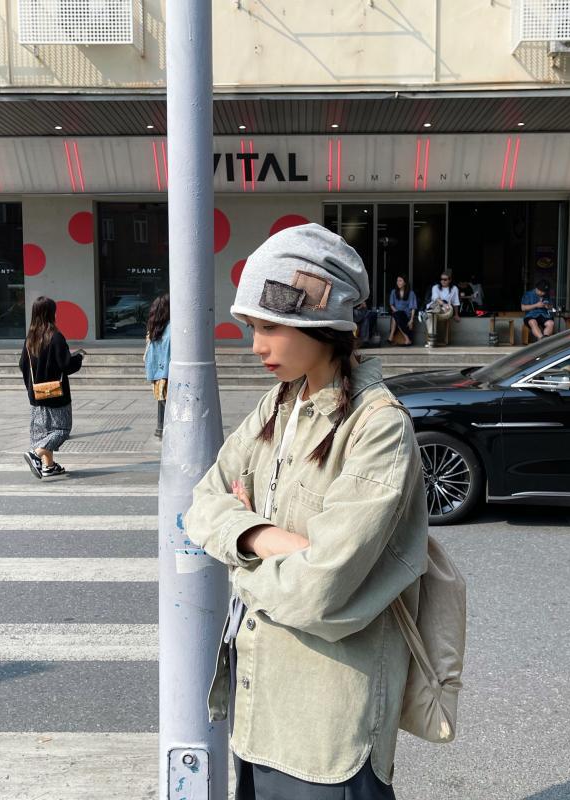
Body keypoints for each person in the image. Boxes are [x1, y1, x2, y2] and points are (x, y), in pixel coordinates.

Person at [184, 223, 428, 800]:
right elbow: (202, 502)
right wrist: (265, 539)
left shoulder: (379, 428)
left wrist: (239, 559)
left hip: (327, 729)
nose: (256, 346)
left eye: (270, 327)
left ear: (323, 323)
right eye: (252, 328)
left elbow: (321, 590)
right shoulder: (279, 403)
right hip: (259, 706)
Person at [19, 296, 84, 479]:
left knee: (43, 431)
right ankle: (36, 454)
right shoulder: (55, 337)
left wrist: (32, 388)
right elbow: (66, 365)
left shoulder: (30, 339)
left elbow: (22, 364)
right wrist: (78, 359)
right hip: (56, 393)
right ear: (51, 313)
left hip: (37, 393)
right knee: (61, 429)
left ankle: (49, 466)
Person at [144, 293, 171, 438]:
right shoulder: (172, 328)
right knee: (169, 405)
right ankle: (165, 429)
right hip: (169, 373)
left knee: (162, 402)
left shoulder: (153, 328)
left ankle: (161, 428)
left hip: (156, 374)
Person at [388, 275, 417, 346]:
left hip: (406, 316)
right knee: (396, 315)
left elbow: (413, 307)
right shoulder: (393, 292)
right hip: (397, 313)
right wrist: (397, 312)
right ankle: (407, 339)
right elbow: (391, 305)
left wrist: (411, 320)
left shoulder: (411, 293)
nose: (398, 282)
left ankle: (391, 337)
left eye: (400, 281)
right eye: (397, 281)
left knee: (396, 316)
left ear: (405, 283)